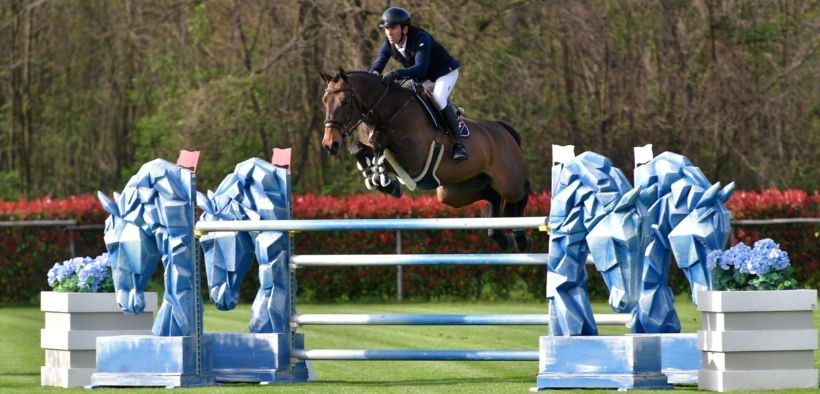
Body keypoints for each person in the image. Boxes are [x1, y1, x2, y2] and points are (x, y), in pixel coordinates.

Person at [369, 7, 469, 163]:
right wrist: (372, 77)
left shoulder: (421, 39)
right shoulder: (388, 44)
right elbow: (378, 65)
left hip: (444, 72)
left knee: (439, 98)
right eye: (387, 28)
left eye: (393, 28)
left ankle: (459, 144)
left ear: (405, 29)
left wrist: (396, 74)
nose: (389, 32)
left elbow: (420, 69)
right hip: (424, 78)